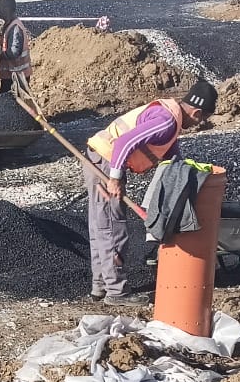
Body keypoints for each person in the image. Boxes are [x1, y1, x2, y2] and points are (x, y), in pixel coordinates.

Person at [79, 81, 218, 305]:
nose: (199, 123)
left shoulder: (169, 116)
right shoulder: (166, 122)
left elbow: (173, 159)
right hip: (105, 164)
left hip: (100, 158)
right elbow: (125, 141)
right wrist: (114, 178)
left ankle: (101, 286)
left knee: (101, 226)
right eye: (201, 119)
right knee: (112, 228)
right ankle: (117, 292)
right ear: (197, 111)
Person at [0, 0, 33, 95]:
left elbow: (14, 52)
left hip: (17, 78)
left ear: (6, 9)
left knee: (15, 105)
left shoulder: (15, 28)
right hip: (11, 76)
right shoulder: (9, 25)